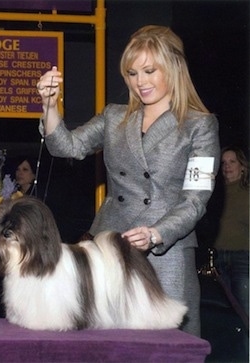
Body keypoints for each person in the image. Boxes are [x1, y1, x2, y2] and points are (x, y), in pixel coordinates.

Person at [36, 25, 220, 336]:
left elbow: (196, 200)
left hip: (168, 253)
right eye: (132, 73)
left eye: (149, 71)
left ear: (174, 67)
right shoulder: (114, 116)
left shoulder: (199, 125)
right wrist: (50, 105)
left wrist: (157, 234)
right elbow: (66, 146)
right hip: (109, 251)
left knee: (171, 350)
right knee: (111, 345)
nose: (140, 82)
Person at [213, 146, 249, 315]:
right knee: (226, 314)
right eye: (223, 163)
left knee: (245, 311)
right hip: (218, 259)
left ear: (242, 166)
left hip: (243, 258)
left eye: (232, 162)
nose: (227, 166)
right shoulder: (214, 194)